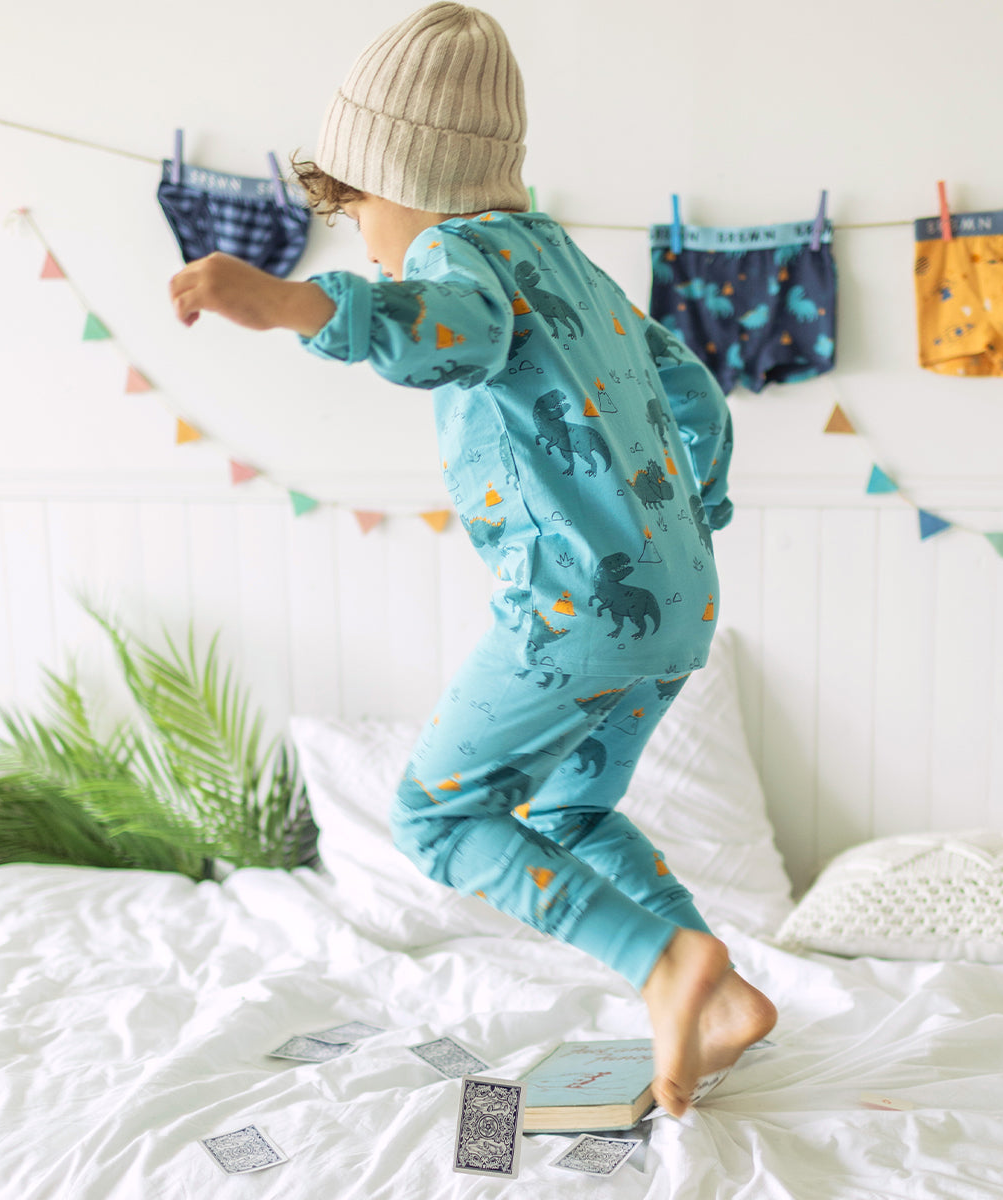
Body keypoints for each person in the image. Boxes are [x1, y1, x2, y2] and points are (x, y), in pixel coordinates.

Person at [168, 1, 775, 1117]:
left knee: (441, 814)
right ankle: (721, 994)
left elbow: (443, 327)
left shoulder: (457, 254)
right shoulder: (568, 265)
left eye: (361, 218)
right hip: (677, 598)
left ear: (399, 181)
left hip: (581, 604)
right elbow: (689, 381)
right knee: (568, 813)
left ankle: (665, 964)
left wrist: (293, 305)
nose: (369, 242)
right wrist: (704, 495)